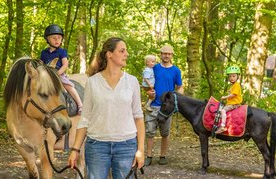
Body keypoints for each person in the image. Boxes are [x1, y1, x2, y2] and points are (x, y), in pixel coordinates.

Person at [67, 37, 145, 179]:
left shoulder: (132, 82)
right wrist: (75, 149)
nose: (126, 54)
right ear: (109, 54)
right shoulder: (92, 82)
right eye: (122, 51)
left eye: (126, 51)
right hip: (97, 146)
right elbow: (85, 119)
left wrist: (140, 150)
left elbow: (138, 117)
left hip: (126, 146)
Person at [144, 44, 183, 166]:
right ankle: (149, 156)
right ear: (160, 55)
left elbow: (180, 86)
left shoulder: (176, 70)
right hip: (153, 105)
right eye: (164, 53)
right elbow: (146, 83)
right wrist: (148, 92)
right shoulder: (153, 68)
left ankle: (162, 156)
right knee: (150, 132)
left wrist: (177, 97)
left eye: (169, 53)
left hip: (167, 108)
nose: (166, 55)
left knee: (165, 133)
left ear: (172, 55)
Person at [40, 24, 83, 115]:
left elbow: (65, 64)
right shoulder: (44, 53)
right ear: (48, 39)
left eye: (59, 38)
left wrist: (58, 73)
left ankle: (80, 105)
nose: (57, 40)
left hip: (59, 74)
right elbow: (41, 64)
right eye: (54, 38)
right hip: (47, 75)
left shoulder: (62, 52)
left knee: (68, 86)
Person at [215, 66, 243, 134]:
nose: (231, 78)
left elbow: (234, 95)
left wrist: (225, 97)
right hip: (231, 103)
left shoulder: (236, 85)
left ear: (237, 77)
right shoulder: (233, 85)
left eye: (233, 76)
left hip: (234, 104)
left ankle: (222, 126)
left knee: (223, 110)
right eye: (230, 76)